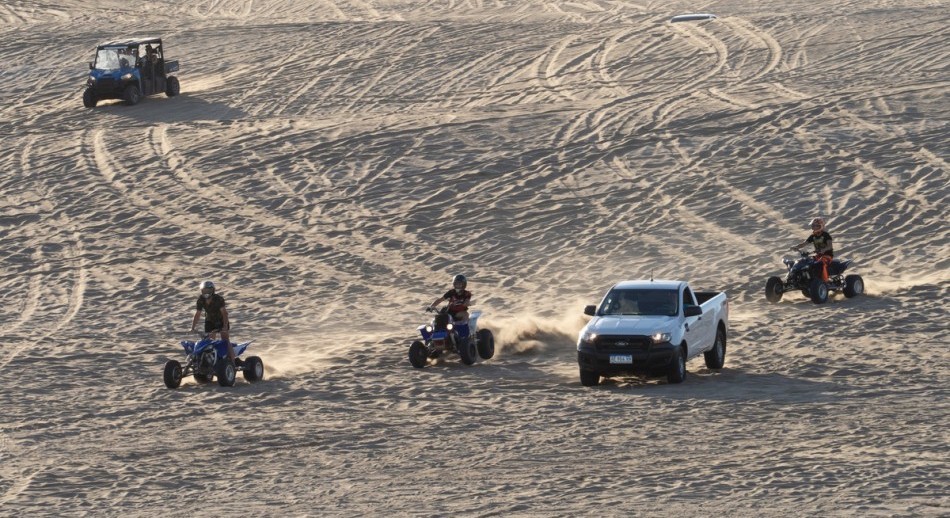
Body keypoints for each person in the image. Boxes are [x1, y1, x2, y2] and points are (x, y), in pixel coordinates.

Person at [189, 280, 238, 365]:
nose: (206, 293)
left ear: (213, 291)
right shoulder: (200, 300)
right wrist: (192, 327)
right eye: (204, 290)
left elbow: (224, 313)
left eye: (208, 290)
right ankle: (212, 362)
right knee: (209, 341)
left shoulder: (218, 299)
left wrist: (225, 326)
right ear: (202, 291)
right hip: (209, 321)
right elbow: (197, 314)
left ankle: (233, 363)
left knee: (225, 340)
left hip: (221, 320)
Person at [792, 217, 834, 281]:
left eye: (817, 226)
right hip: (818, 256)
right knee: (805, 262)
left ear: (821, 226)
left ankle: (825, 281)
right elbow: (804, 244)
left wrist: (823, 250)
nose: (815, 227)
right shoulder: (813, 236)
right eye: (813, 225)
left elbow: (829, 246)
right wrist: (796, 247)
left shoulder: (826, 235)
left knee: (821, 263)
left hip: (827, 256)